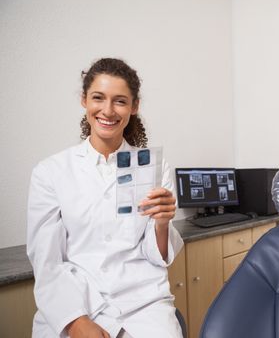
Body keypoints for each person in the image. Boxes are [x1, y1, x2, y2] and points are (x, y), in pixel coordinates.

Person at [27, 58, 184, 338]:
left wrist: (161, 224)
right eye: (98, 98)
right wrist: (76, 322)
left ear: (134, 107)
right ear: (84, 100)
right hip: (76, 303)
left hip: (143, 306)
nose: (108, 111)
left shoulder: (154, 167)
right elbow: (47, 263)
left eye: (120, 101)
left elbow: (157, 256)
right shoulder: (51, 172)